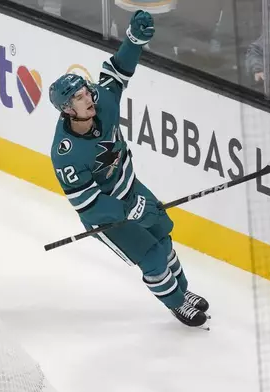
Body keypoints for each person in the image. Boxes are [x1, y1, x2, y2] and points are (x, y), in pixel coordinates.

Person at [48, 10, 210, 328]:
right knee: (151, 257)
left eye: (86, 92)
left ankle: (184, 290)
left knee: (163, 237)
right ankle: (176, 304)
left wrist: (133, 40)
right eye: (80, 98)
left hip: (132, 188)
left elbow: (117, 71)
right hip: (109, 217)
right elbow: (87, 204)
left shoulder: (102, 101)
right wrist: (125, 210)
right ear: (68, 109)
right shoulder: (65, 154)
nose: (89, 98)